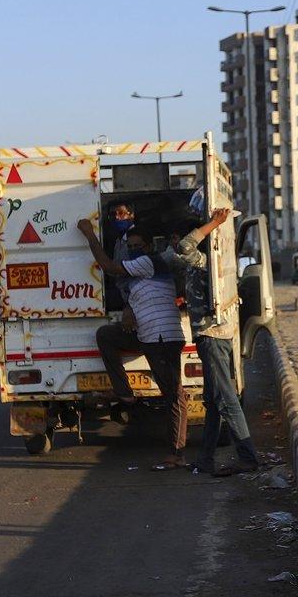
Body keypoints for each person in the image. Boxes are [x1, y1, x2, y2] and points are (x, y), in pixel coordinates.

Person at [78, 219, 189, 470]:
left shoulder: (148, 262)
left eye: (137, 246)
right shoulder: (140, 272)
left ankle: (177, 453)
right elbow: (138, 295)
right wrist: (129, 308)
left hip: (162, 338)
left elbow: (108, 266)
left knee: (174, 395)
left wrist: (89, 235)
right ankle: (125, 394)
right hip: (147, 336)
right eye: (129, 246)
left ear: (148, 247)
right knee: (106, 335)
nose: (133, 250)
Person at [167, 207, 258, 476]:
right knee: (213, 400)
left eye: (175, 237)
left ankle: (248, 457)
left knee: (226, 399)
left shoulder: (205, 260)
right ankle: (205, 459)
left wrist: (213, 223)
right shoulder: (206, 262)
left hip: (213, 336)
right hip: (215, 335)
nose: (175, 243)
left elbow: (185, 246)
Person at [109, 202, 137, 305]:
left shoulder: (135, 238)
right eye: (113, 215)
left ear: (131, 215)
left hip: (133, 294)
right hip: (123, 292)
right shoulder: (119, 240)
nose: (117, 217)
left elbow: (117, 269)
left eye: (121, 213)